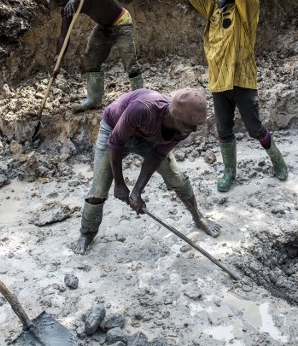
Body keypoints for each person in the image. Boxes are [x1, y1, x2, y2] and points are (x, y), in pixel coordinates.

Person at [161, 0, 287, 193]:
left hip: (242, 79)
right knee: (223, 130)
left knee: (255, 128)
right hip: (219, 81)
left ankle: (277, 160)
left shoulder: (249, 8)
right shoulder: (214, 7)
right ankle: (229, 171)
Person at [73, 87, 220, 254]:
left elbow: (156, 156)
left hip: (147, 138)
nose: (193, 131)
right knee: (99, 188)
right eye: (189, 125)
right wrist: (120, 184)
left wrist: (136, 192)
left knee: (176, 177)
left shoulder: (183, 128)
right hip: (113, 130)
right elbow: (115, 142)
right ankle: (87, 233)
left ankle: (198, 217)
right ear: (174, 115)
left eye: (195, 126)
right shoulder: (143, 108)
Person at [43, 0, 143, 111]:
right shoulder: (66, 9)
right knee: (91, 59)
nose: (59, 4)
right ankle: (94, 99)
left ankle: (140, 98)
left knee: (129, 60)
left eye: (59, 0)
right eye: (55, 3)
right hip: (104, 27)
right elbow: (63, 37)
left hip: (121, 21)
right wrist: (56, 60)